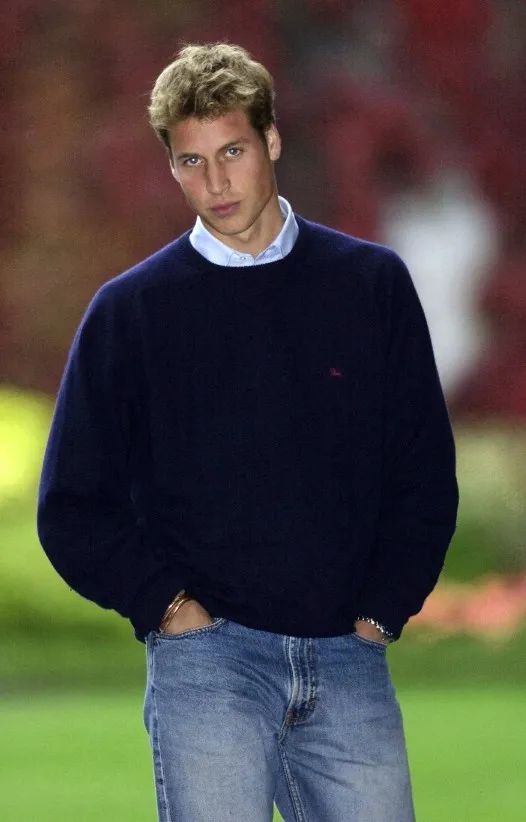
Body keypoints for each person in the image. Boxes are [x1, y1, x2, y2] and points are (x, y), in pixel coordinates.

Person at [37, 42, 459, 821]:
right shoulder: (130, 314)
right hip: (209, 665)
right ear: (172, 167)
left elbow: (423, 470)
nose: (216, 182)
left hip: (350, 658)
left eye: (232, 151)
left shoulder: (369, 286)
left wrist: (380, 614)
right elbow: (70, 507)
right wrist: (171, 610)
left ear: (271, 139)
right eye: (191, 161)